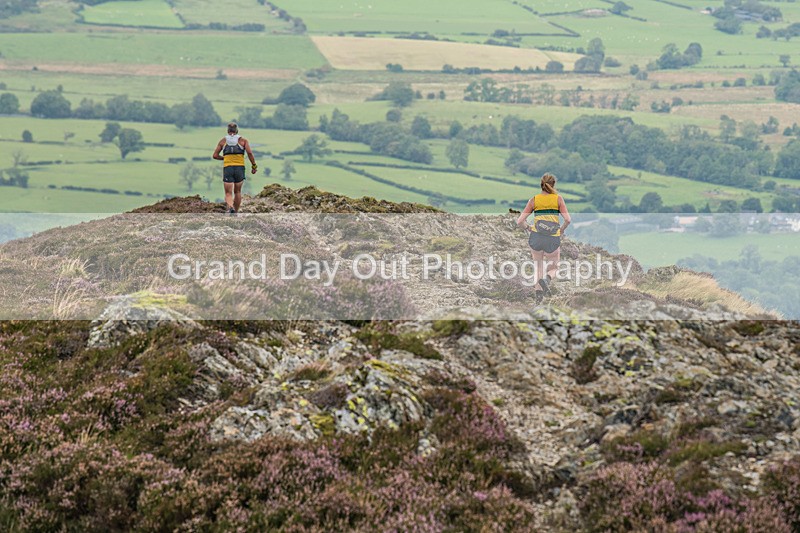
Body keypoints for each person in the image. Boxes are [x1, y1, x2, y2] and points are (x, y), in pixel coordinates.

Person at [516, 173, 571, 302]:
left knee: (539, 267)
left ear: (541, 185)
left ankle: (538, 301)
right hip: (552, 238)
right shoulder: (558, 199)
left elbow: (519, 221)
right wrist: (561, 230)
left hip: (536, 237)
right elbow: (568, 219)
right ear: (553, 185)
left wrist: (528, 228)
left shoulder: (534, 200)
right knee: (553, 268)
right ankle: (547, 279)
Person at [212, 122, 257, 214]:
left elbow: (215, 155)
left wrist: (224, 158)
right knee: (237, 191)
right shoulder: (243, 141)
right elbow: (250, 153)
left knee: (228, 193)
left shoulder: (222, 141)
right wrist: (254, 165)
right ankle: (235, 212)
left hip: (228, 168)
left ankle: (231, 207)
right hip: (240, 168)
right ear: (237, 131)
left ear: (228, 131)